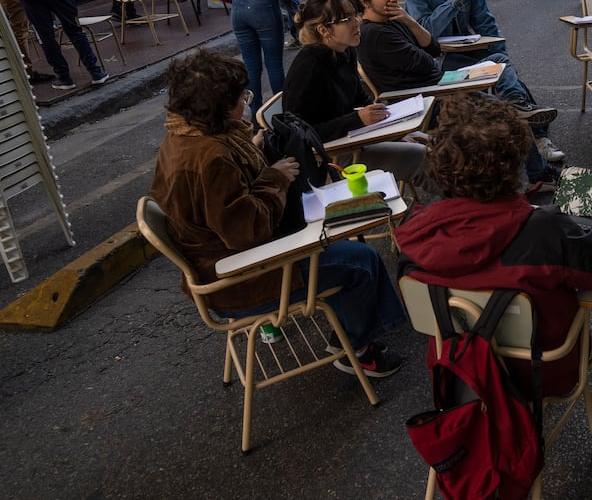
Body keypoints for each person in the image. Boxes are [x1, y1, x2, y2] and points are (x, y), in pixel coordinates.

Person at [150, 49, 404, 378]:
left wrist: (255, 154)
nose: (245, 102)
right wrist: (275, 176)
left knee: (335, 243)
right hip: (239, 279)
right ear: (220, 107)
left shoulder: (182, 138)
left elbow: (220, 201)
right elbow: (245, 229)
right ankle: (355, 347)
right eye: (241, 96)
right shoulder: (211, 158)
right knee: (359, 260)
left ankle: (356, 330)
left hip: (220, 262)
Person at [394, 92, 592, 395]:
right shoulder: (545, 231)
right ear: (514, 160)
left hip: (459, 372)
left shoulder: (416, 235)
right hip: (544, 368)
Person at [353, 0, 563, 169]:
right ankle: (537, 169)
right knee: (506, 115)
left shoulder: (395, 20)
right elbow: (426, 62)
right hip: (427, 99)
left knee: (498, 61)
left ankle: (519, 106)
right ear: (365, 1)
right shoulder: (377, 35)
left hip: (440, 85)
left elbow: (434, 49)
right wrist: (424, 48)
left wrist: (410, 21)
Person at [281, 0, 427, 186]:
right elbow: (302, 133)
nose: (357, 22)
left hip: (356, 139)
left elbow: (359, 97)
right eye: (346, 19)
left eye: (355, 15)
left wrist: (395, 131)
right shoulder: (309, 68)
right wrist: (357, 119)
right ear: (324, 30)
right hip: (334, 156)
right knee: (425, 158)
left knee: (434, 143)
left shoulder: (344, 51)